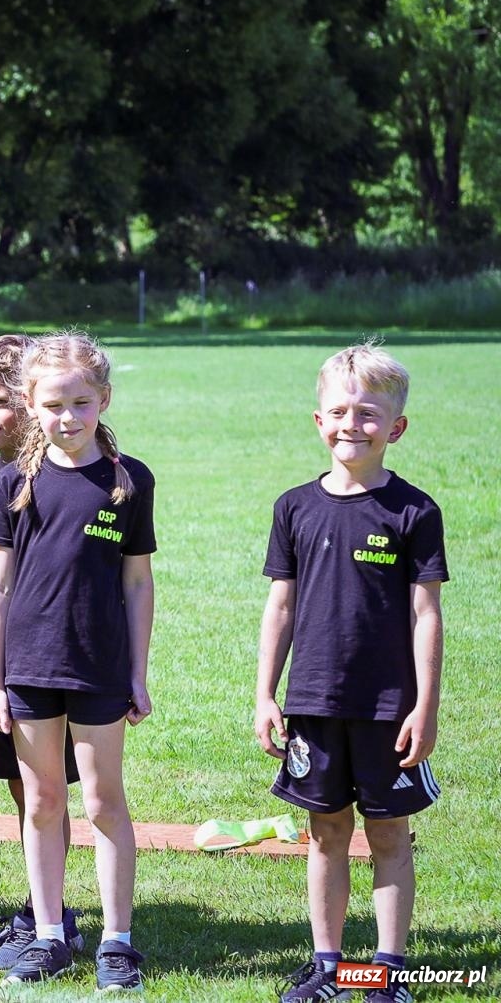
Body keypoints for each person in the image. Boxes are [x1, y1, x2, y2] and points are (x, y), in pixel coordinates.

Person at [257, 345, 446, 1003]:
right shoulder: (293, 507)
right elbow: (280, 606)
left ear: (396, 427)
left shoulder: (414, 512)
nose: (352, 425)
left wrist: (425, 705)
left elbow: (426, 614)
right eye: (338, 411)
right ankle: (330, 968)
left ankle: (386, 974)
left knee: (388, 833)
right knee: (327, 832)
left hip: (389, 707)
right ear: (319, 420)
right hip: (313, 701)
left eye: (368, 413)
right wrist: (265, 693)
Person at [0, 330, 155, 991]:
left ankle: (117, 940)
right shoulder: (13, 482)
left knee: (104, 800)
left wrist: (137, 672)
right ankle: (50, 934)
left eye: (81, 403)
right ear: (31, 404)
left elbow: (137, 582)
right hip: (29, 669)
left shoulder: (129, 481)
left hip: (99, 667)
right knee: (44, 801)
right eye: (53, 404)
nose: (68, 417)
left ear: (103, 399)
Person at [0, 335, 84, 967]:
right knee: (20, 785)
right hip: (1, 660)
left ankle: (52, 918)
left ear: (32, 401)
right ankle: (43, 911)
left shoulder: (71, 474)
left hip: (58, 658)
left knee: (47, 790)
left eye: (0, 403)